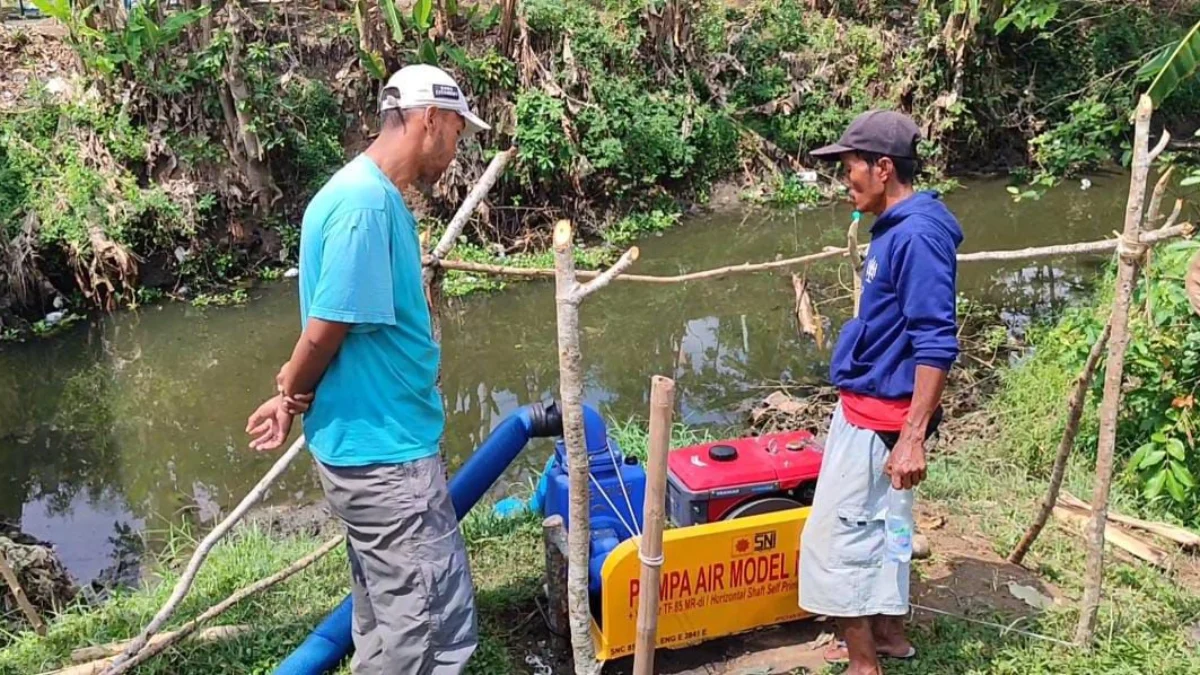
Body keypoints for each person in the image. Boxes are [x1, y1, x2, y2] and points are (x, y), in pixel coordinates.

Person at [244, 64, 490, 675]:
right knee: (432, 632)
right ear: (429, 119)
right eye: (457, 131)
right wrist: (291, 389)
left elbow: (333, 325)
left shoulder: (363, 194)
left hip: (371, 450)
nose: (457, 150)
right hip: (387, 461)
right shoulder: (364, 206)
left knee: (384, 620)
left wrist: (289, 396)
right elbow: (328, 326)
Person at [799, 110, 963, 675]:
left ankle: (862, 663)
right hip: (882, 415)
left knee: (834, 545)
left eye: (851, 169)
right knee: (891, 528)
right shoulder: (900, 227)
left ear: (884, 167)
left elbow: (936, 342)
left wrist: (911, 437)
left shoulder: (916, 236)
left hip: (881, 421)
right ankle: (890, 634)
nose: (847, 181)